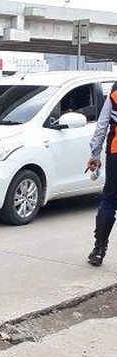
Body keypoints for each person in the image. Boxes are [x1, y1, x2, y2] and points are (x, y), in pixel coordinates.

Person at [87, 82, 117, 266]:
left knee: (110, 200)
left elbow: (103, 124)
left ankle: (99, 250)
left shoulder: (116, 90)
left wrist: (95, 155)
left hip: (115, 152)